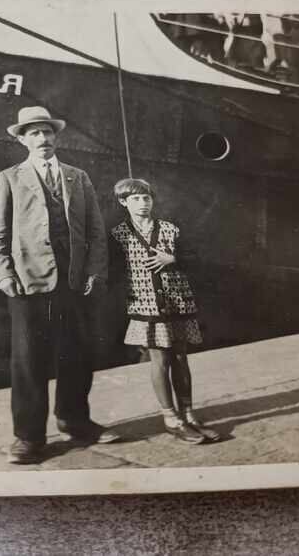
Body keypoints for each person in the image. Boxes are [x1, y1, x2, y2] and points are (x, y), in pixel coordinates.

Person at [0, 106, 120, 464]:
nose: (42, 139)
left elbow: (95, 231)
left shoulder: (79, 177)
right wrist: (4, 275)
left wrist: (95, 272)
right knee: (29, 360)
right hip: (28, 281)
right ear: (22, 140)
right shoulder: (10, 178)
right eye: (33, 134)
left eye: (47, 133)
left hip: (74, 280)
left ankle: (75, 422)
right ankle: (29, 437)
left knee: (77, 353)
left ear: (56, 137)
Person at [110, 178, 219, 444]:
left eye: (147, 198)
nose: (143, 203)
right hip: (147, 305)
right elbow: (113, 271)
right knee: (160, 360)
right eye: (135, 199)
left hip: (177, 302)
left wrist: (173, 258)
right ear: (124, 202)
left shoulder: (171, 230)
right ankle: (171, 418)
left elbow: (199, 257)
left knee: (181, 358)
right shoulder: (118, 235)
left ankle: (188, 413)